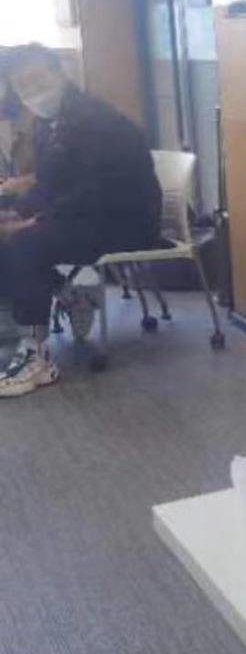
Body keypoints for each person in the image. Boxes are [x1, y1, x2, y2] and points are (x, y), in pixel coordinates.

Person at [0, 45, 161, 398]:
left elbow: (95, 192)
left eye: (39, 80)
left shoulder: (94, 121)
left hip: (125, 221)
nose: (34, 92)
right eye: (23, 86)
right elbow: (50, 185)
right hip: (87, 216)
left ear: (60, 73)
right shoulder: (50, 123)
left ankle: (36, 356)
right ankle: (65, 294)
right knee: (9, 237)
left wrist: (30, 223)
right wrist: (17, 213)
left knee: (25, 244)